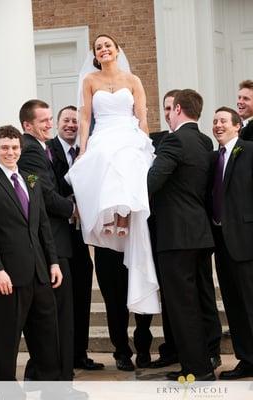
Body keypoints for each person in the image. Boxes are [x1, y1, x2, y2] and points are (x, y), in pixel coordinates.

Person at [66, 34, 160, 315]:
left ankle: (122, 217)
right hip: (104, 132)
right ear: (95, 54)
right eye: (98, 47)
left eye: (108, 45)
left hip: (127, 131)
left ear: (117, 50)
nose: (104, 49)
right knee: (104, 159)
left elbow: (141, 114)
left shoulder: (133, 81)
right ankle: (107, 217)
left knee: (127, 159)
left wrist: (144, 142)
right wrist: (83, 148)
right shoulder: (89, 81)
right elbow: (84, 117)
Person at [149, 90, 222, 370]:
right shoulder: (204, 141)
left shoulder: (174, 141)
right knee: (201, 299)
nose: (168, 115)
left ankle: (196, 369)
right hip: (200, 233)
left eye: (170, 110)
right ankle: (205, 358)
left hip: (176, 236)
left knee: (182, 304)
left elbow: (153, 182)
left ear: (177, 109)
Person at [0, 125, 62, 381]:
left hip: (40, 273)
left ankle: (53, 389)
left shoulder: (31, 179)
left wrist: (53, 262)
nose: (11, 152)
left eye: (15, 147)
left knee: (47, 337)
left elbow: (43, 226)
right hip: (7, 277)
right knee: (6, 339)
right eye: (5, 148)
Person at [18, 100, 75, 381]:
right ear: (27, 125)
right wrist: (73, 208)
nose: (49, 124)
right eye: (43, 120)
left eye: (50, 118)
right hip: (51, 242)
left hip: (54, 241)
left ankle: (37, 373)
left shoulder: (42, 148)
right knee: (57, 317)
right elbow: (45, 196)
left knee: (51, 316)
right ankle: (59, 381)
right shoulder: (30, 151)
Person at [47, 105, 104, 371]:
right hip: (59, 233)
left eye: (74, 121)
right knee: (64, 299)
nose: (70, 125)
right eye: (65, 120)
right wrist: (71, 205)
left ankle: (79, 353)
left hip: (81, 237)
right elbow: (51, 189)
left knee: (82, 293)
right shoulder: (48, 151)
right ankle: (61, 356)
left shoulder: (87, 151)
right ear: (57, 123)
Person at [211, 106, 253, 380]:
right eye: (214, 121)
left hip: (248, 242)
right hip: (222, 244)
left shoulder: (250, 150)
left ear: (237, 126)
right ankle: (247, 359)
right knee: (234, 306)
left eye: (223, 121)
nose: (217, 125)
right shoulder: (214, 158)